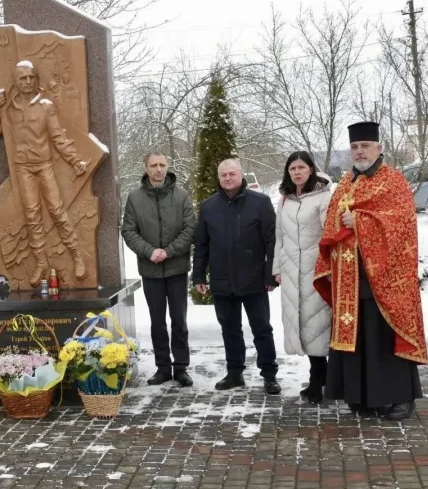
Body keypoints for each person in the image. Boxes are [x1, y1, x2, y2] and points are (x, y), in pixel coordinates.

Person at [314, 121, 427, 421]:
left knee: (384, 335)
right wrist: (342, 226)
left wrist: (361, 222)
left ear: (379, 148)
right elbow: (331, 223)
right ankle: (361, 397)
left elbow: (402, 223)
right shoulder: (345, 185)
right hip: (349, 276)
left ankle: (402, 398)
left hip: (386, 277)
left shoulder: (393, 181)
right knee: (360, 336)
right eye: (354, 147)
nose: (359, 151)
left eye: (365, 146)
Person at [0, 60, 88, 283]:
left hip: (44, 166)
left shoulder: (45, 106)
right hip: (23, 168)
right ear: (16, 80)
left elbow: (57, 138)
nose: (28, 81)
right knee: (32, 216)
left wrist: (74, 161)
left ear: (36, 79)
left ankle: (77, 256)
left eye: (31, 77)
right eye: (23, 78)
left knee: (57, 211)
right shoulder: (9, 107)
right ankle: (41, 262)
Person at [193, 158, 281, 394]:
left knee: (261, 328)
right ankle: (234, 373)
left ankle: (269, 374)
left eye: (232, 174)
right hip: (222, 280)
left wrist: (271, 274)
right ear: (219, 178)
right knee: (229, 329)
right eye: (223, 175)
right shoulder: (209, 206)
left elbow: (271, 242)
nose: (228, 178)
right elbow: (201, 244)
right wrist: (199, 275)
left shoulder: (260, 203)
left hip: (253, 279)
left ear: (241, 175)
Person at [122, 152, 197, 388]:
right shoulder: (134, 198)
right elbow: (129, 231)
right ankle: (162, 367)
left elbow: (190, 228)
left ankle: (181, 368)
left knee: (179, 321)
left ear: (168, 167)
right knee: (157, 322)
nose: (158, 169)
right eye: (153, 165)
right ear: (145, 168)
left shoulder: (182, 196)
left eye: (162, 165)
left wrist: (169, 251)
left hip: (176, 268)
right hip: (151, 270)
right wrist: (150, 251)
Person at [272, 151, 332, 404]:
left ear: (311, 170)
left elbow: (329, 234)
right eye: (292, 168)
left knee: (318, 327)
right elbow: (279, 237)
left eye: (301, 167)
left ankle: (319, 379)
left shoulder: (323, 197)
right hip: (290, 270)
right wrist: (277, 268)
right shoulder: (284, 200)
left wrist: (327, 268)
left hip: (315, 271)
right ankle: (320, 376)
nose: (297, 172)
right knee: (302, 327)